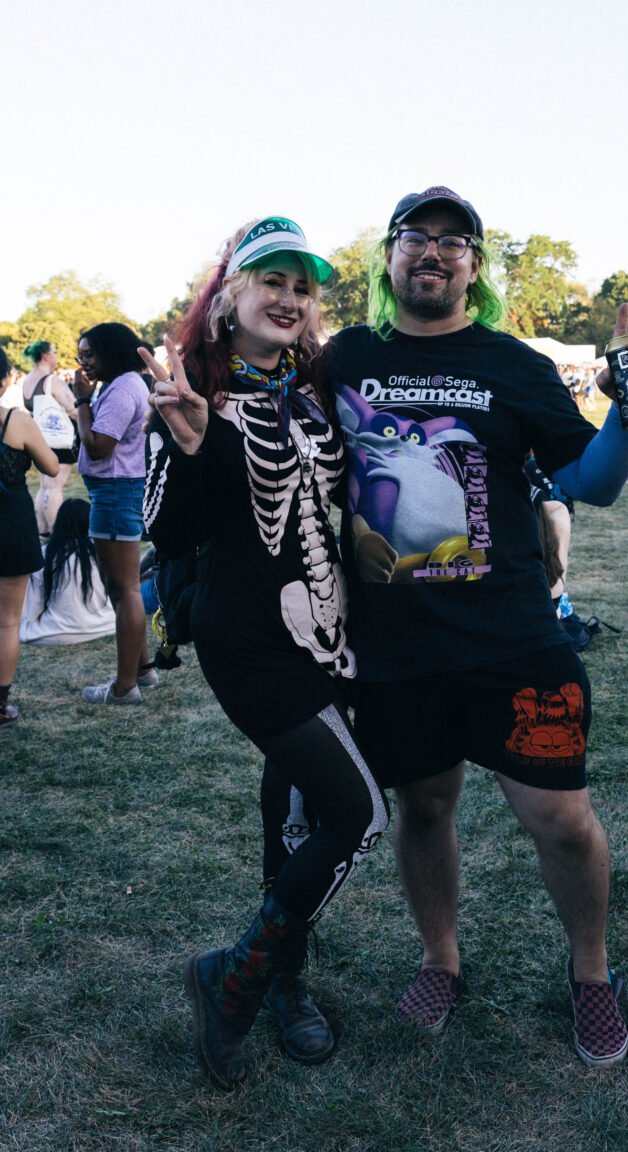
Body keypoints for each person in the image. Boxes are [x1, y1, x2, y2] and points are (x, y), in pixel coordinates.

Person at [319, 186, 628, 1068]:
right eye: (414, 238)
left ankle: (591, 974)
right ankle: (441, 958)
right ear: (389, 259)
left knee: (560, 816)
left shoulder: (512, 364)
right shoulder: (345, 358)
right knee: (423, 807)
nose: (432, 253)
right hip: (395, 646)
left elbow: (590, 484)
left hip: (513, 636)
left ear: (474, 267)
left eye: (452, 242)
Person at [139, 216, 388, 1088]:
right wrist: (195, 440)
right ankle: (235, 976)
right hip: (251, 645)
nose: (287, 299)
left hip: (333, 635)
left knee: (299, 811)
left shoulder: (318, 393)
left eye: (302, 286)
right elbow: (165, 530)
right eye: (269, 282)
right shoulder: (195, 395)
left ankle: (286, 979)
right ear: (228, 299)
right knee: (359, 815)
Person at [73, 323, 158, 703]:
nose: (83, 361)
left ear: (110, 351)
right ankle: (142, 670)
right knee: (123, 589)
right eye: (81, 354)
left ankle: (125, 689)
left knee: (123, 590)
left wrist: (81, 402)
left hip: (115, 492)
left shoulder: (123, 388)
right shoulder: (123, 384)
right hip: (115, 491)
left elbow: (98, 447)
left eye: (89, 354)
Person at [0, 346, 60, 726]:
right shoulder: (16, 422)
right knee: (7, 621)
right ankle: (0, 705)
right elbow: (52, 466)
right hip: (11, 525)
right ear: (6, 378)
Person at [20, 497, 116, 645]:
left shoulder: (46, 555)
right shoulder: (103, 551)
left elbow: (33, 609)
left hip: (58, 632)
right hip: (108, 624)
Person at [21, 340, 78, 533]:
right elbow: (74, 410)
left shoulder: (28, 380)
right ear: (46, 356)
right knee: (55, 488)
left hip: (39, 439)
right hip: (59, 441)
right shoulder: (51, 381)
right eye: (54, 352)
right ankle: (56, 532)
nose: (56, 356)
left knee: (45, 486)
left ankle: (42, 528)